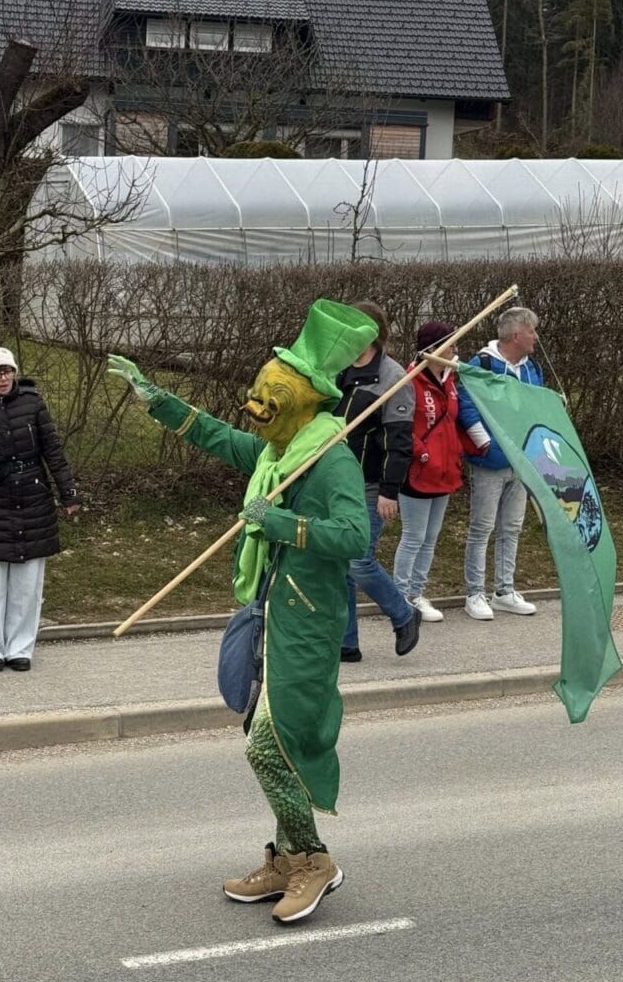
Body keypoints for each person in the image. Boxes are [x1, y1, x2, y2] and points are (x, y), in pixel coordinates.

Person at [108, 300, 375, 924]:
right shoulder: (278, 451)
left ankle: (313, 861)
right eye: (257, 393)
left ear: (303, 404)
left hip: (306, 626)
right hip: (266, 617)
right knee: (266, 737)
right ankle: (286, 859)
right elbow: (221, 437)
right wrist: (157, 399)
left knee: (269, 748)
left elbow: (355, 536)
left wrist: (280, 522)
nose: (255, 407)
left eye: (269, 398)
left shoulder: (329, 459)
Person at [0, 347, 80, 672]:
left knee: (28, 581)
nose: (3, 378)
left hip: (32, 497)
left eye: (7, 371)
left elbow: (53, 451)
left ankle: (20, 647)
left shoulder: (33, 403)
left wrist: (68, 493)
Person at [333, 300, 421, 661]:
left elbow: (399, 442)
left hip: (370, 487)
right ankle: (346, 642)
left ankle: (403, 613)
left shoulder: (392, 378)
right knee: (340, 564)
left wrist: (389, 490)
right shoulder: (337, 369)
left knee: (357, 560)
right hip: (337, 482)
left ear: (370, 334)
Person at [392, 321, 485, 622]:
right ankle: (400, 596)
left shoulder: (450, 381)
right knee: (413, 536)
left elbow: (452, 422)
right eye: (450, 343)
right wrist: (422, 454)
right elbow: (401, 426)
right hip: (418, 472)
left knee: (431, 538)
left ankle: (417, 592)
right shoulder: (409, 380)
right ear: (433, 348)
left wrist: (466, 448)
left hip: (444, 471)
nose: (455, 348)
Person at [457, 306, 544, 620]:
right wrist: (486, 444)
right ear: (516, 335)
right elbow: (466, 404)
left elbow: (535, 405)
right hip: (489, 462)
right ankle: (474, 593)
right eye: (532, 331)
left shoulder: (531, 367)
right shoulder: (481, 364)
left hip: (521, 461)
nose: (536, 337)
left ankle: (504, 590)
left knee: (512, 527)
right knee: (482, 527)